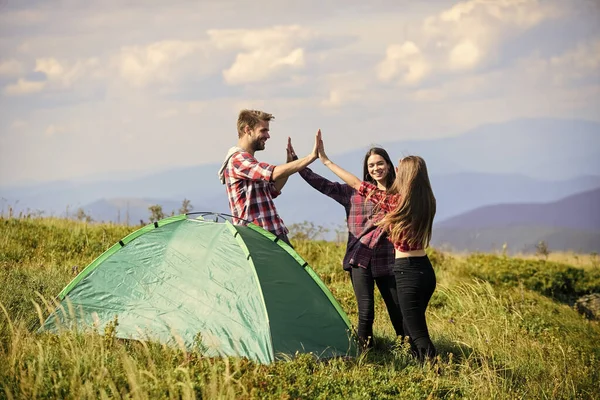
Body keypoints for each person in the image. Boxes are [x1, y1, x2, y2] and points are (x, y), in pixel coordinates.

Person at [315, 131, 437, 362]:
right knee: (413, 325)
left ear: (405, 176)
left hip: (406, 271)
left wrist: (326, 161)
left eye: (400, 169)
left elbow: (355, 183)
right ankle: (419, 362)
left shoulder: (394, 202)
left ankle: (433, 371)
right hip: (426, 269)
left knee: (418, 334)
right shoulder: (426, 200)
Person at [288, 140, 405, 349]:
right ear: (367, 170)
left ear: (388, 165)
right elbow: (322, 184)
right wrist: (297, 164)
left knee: (397, 310)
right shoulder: (353, 193)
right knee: (366, 312)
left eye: (380, 163)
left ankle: (408, 348)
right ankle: (365, 354)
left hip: (388, 260)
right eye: (371, 165)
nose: (376, 168)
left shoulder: (397, 196)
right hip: (360, 259)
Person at [218, 109, 320, 246]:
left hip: (271, 234)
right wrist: (310, 157)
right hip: (260, 238)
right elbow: (273, 173)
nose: (267, 136)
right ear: (247, 130)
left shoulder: (248, 161)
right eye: (263, 130)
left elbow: (273, 189)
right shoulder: (238, 159)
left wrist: (289, 164)